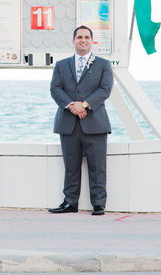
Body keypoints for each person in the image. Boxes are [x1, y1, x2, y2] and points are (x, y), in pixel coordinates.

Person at [49, 26, 114, 216]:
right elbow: (55, 89)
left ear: (92, 41)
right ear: (73, 41)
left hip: (95, 124)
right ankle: (70, 202)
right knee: (70, 167)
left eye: (86, 37)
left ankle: (99, 204)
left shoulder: (103, 64)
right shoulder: (61, 65)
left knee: (98, 167)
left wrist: (84, 105)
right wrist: (71, 105)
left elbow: (105, 90)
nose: (83, 40)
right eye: (79, 37)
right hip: (68, 123)